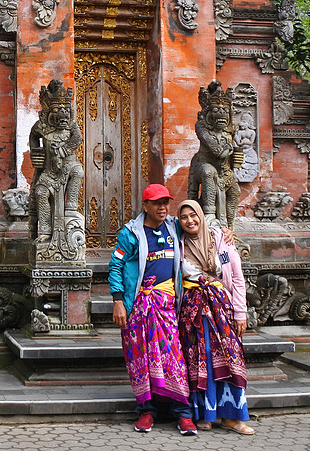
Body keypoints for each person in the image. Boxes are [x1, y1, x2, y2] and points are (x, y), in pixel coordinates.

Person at [109, 184, 198, 436]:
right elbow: (115, 266)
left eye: (166, 203)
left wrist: (223, 232)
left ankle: (183, 413)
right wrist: (117, 301)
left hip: (167, 306)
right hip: (137, 306)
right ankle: (147, 412)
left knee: (174, 359)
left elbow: (198, 225)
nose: (162, 207)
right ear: (145, 205)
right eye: (157, 203)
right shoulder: (130, 233)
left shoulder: (174, 226)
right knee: (140, 360)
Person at [176, 199, 255, 435]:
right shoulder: (178, 245)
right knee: (202, 359)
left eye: (194, 215)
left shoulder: (220, 240)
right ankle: (206, 415)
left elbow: (238, 279)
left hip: (222, 310)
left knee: (230, 359)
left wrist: (241, 313)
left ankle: (232, 417)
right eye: (184, 217)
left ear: (201, 215)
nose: (190, 220)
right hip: (194, 312)